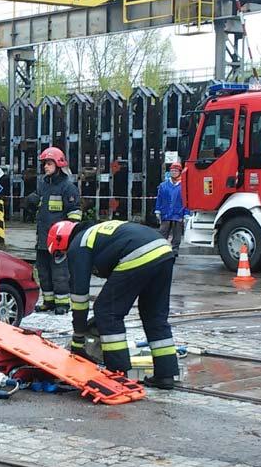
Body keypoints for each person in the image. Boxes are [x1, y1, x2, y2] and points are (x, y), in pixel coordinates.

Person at [47, 219, 179, 390]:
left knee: (106, 311)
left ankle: (118, 373)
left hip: (139, 253)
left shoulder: (78, 245)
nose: (66, 256)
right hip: (163, 250)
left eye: (61, 253)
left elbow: (79, 296)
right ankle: (165, 375)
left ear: (61, 240)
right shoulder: (98, 232)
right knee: (154, 315)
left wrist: (78, 337)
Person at [34, 147, 81, 315]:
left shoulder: (68, 188)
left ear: (58, 164)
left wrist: (68, 238)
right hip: (43, 238)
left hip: (59, 240)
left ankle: (62, 303)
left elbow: (74, 215)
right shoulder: (43, 186)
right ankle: (49, 301)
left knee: (59, 273)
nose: (45, 167)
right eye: (44, 164)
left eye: (48, 163)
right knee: (43, 271)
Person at [154, 161, 189, 259]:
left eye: (176, 171)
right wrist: (157, 210)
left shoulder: (184, 186)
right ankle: (160, 249)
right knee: (162, 232)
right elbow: (159, 199)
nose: (174, 173)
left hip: (178, 214)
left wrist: (186, 214)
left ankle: (175, 250)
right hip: (166, 214)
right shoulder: (163, 185)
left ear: (180, 172)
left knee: (177, 234)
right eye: (172, 171)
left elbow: (186, 201)